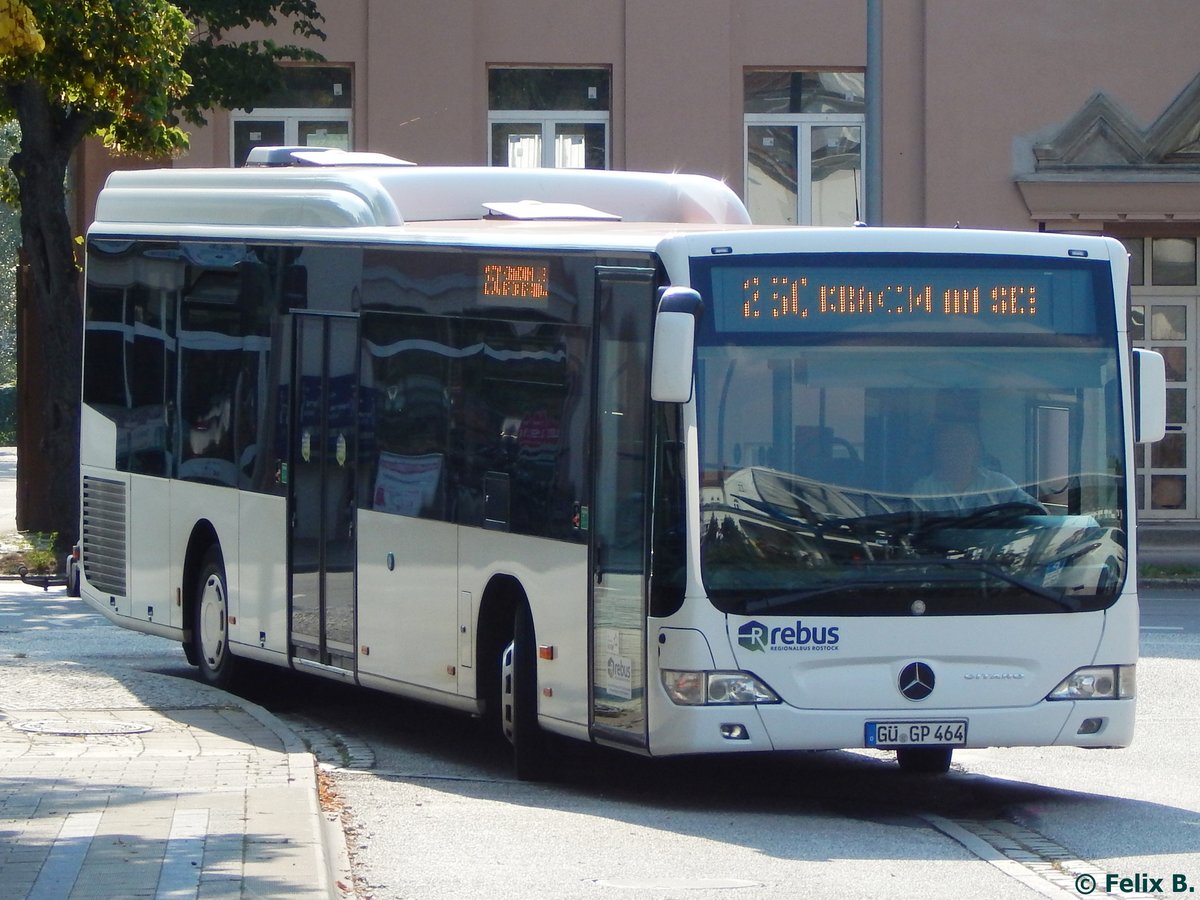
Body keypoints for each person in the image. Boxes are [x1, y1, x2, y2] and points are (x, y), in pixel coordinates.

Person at [912, 421, 1041, 512]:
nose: (957, 452)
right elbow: (913, 532)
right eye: (948, 446)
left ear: (976, 449)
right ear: (936, 452)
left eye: (964, 444)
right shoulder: (923, 490)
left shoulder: (998, 484)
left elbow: (1037, 512)